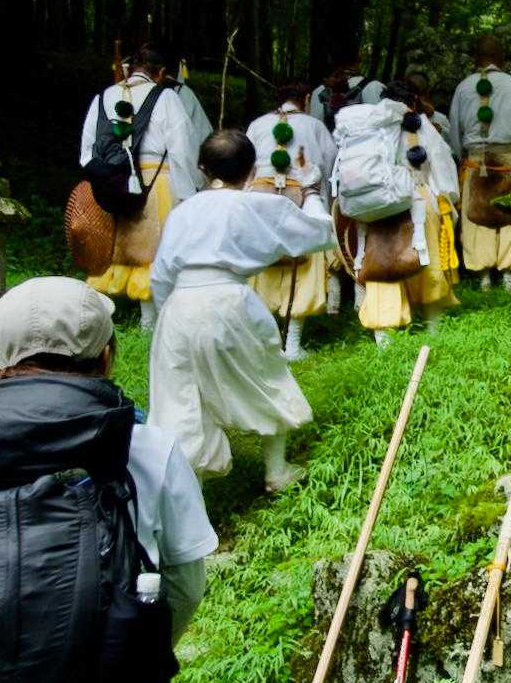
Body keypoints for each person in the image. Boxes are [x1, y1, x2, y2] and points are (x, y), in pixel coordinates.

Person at [0, 276, 217, 683]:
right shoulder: (147, 447)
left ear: (1, 358)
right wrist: (123, 658)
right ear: (106, 357)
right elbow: (186, 588)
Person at [148, 129, 334, 489]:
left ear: (202, 169)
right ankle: (276, 471)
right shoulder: (256, 205)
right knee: (265, 376)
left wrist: (165, 316)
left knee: (180, 396)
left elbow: (160, 276)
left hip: (178, 305)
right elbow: (320, 232)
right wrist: (311, 191)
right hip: (229, 302)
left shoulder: (181, 212)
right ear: (251, 170)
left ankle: (189, 491)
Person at [79, 43, 205, 329]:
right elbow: (182, 148)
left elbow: (87, 152)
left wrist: (105, 179)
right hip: (155, 180)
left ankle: (99, 317)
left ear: (129, 69)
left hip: (111, 184)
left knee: (116, 247)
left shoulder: (103, 97)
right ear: (160, 73)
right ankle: (148, 320)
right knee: (152, 251)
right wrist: (189, 191)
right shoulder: (167, 97)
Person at [333, 81, 461, 347]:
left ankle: (384, 340)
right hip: (417, 199)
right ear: (413, 101)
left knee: (382, 266)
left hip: (373, 206)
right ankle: (432, 329)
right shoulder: (419, 124)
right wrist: (449, 201)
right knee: (428, 264)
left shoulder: (365, 126)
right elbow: (441, 163)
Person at [246, 81, 341, 360]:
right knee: (305, 266)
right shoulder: (315, 126)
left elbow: (246, 165)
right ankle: (293, 344)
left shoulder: (257, 125)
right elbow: (331, 165)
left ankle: (266, 342)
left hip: (259, 198)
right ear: (307, 98)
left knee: (262, 266)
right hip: (301, 196)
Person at [448, 36, 511, 291]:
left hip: (476, 161)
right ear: (502, 59)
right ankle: (510, 274)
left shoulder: (463, 87)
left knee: (477, 216)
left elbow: (455, 128)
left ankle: (484, 276)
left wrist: (461, 155)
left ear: (476, 59)